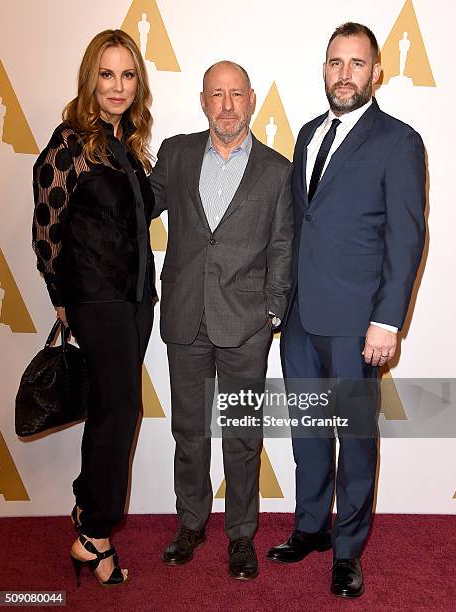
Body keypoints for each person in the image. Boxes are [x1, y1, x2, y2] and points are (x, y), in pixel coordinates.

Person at [267, 22, 426, 598]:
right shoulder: (308, 134)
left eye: (356, 63)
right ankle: (311, 527)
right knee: (309, 431)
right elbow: (299, 223)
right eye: (335, 62)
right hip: (303, 319)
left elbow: (407, 239)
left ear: (376, 73)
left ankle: (349, 549)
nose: (344, 73)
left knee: (355, 437)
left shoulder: (399, 141)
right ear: (325, 69)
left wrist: (387, 321)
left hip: (359, 323)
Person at [150, 60, 293, 580]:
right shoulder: (176, 153)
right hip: (185, 318)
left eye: (236, 94)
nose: (227, 105)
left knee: (241, 435)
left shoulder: (278, 171)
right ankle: (190, 523)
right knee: (189, 432)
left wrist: (271, 311)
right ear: (202, 100)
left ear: (251, 99)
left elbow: (282, 247)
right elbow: (138, 205)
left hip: (245, 326)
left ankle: (240, 535)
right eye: (217, 94)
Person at [32, 29, 156, 588]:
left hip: (136, 298)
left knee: (112, 411)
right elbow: (46, 226)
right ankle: (95, 533)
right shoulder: (69, 143)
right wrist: (61, 296)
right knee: (122, 410)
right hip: (94, 296)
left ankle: (89, 520)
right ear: (90, 79)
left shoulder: (126, 144)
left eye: (128, 75)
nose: (118, 86)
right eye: (107, 74)